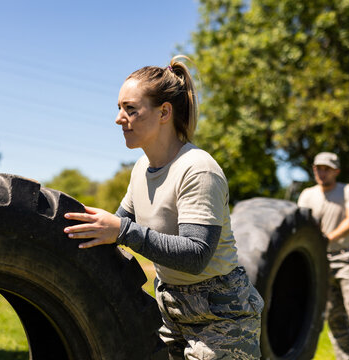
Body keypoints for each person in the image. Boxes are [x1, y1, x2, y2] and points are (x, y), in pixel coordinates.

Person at [63, 56, 264, 359]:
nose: (119, 118)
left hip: (221, 320)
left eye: (130, 109)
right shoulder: (142, 168)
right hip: (171, 312)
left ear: (164, 112)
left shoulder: (197, 168)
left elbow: (196, 254)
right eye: (119, 108)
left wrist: (122, 231)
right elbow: (116, 229)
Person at [298, 152, 349, 360]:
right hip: (321, 262)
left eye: (326, 168)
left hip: (346, 260)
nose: (321, 172)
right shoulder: (307, 194)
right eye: (318, 168)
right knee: (335, 320)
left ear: (336, 171)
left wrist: (328, 238)